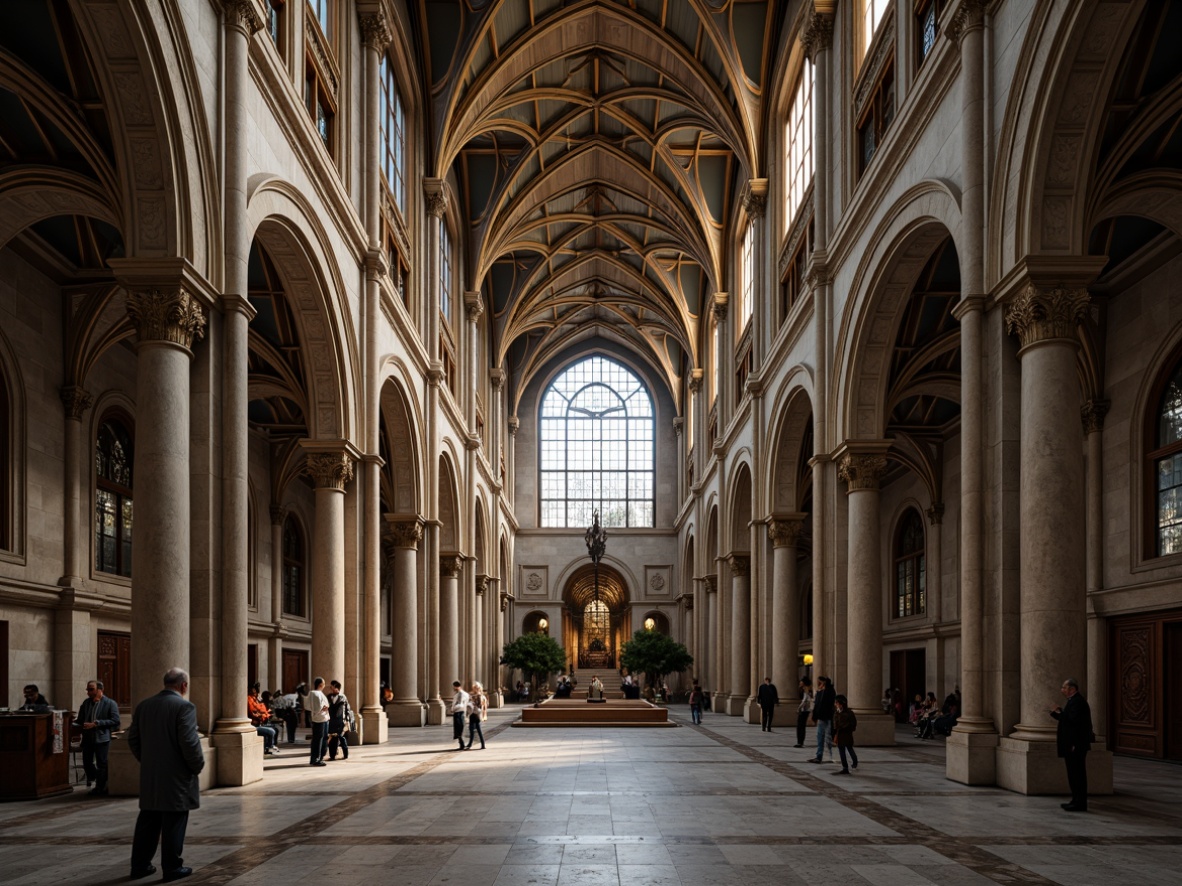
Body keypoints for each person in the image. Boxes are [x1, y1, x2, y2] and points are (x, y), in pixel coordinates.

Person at [127, 667, 204, 882]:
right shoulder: (184, 707)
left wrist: (149, 761)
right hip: (176, 777)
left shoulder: (144, 706)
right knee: (174, 821)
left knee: (148, 820)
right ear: (184, 686)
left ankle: (140, 865)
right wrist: (196, 766)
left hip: (151, 775)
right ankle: (172, 867)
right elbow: (189, 742)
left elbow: (133, 739)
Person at [1050, 677, 1094, 812]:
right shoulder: (1073, 701)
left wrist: (1060, 712)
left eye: (1064, 687)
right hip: (1073, 745)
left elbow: (1074, 724)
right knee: (1073, 774)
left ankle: (1080, 803)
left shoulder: (1077, 702)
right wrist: (1056, 713)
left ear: (1072, 689)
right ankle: (1075, 800)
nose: (1062, 690)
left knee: (1077, 774)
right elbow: (1068, 720)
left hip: (1076, 745)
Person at [74, 679, 120, 796]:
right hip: (88, 738)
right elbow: (80, 720)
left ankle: (100, 787)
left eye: (91, 689)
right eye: (87, 689)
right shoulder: (86, 703)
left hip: (102, 739)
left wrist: (97, 723)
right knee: (87, 762)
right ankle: (96, 778)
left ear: (100, 690)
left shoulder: (110, 703)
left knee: (102, 764)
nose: (88, 692)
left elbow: (115, 721)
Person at [808, 675, 836, 763]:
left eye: (820, 682)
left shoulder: (828, 692)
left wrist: (820, 692)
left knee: (827, 737)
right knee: (820, 737)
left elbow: (819, 705)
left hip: (827, 717)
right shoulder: (823, 692)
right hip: (822, 717)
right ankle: (819, 756)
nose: (818, 684)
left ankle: (828, 756)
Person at [247, 683, 279, 755]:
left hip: (259, 723)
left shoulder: (256, 699)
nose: (256, 692)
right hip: (253, 725)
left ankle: (269, 746)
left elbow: (262, 710)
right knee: (271, 731)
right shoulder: (249, 699)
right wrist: (264, 715)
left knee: (275, 729)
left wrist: (265, 714)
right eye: (254, 690)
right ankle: (269, 747)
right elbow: (255, 712)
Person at [832, 694, 858, 775]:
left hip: (846, 734)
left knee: (849, 748)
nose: (835, 704)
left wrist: (847, 728)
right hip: (839, 734)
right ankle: (845, 767)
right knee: (841, 751)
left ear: (841, 704)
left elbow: (853, 724)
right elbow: (835, 724)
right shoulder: (837, 713)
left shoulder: (849, 713)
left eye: (837, 703)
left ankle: (854, 761)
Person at [307, 677, 330, 766]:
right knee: (318, 739)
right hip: (319, 719)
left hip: (324, 718)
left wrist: (326, 707)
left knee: (323, 738)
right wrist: (324, 707)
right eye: (323, 683)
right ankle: (316, 758)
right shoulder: (314, 693)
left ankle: (319, 757)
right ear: (320, 684)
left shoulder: (320, 693)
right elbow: (317, 708)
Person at [327, 680, 352, 761]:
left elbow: (347, 710)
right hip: (331, 720)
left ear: (336, 687)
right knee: (332, 738)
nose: (330, 688)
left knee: (341, 737)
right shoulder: (328, 697)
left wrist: (347, 720)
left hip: (340, 720)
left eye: (332, 686)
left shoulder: (343, 697)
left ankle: (346, 754)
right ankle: (332, 755)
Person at [465, 681, 488, 749]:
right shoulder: (472, 695)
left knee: (477, 730)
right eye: (475, 687)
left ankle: (481, 744)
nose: (476, 689)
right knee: (472, 730)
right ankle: (471, 744)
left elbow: (481, 706)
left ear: (479, 688)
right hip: (472, 714)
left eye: (477, 687)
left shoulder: (480, 696)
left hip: (477, 714)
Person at [450, 681, 469, 750]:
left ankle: (462, 744)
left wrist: (453, 709)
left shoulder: (460, 694)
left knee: (458, 729)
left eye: (454, 686)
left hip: (458, 712)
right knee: (460, 728)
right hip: (462, 712)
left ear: (455, 686)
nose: (453, 688)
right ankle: (461, 743)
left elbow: (460, 704)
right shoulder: (465, 694)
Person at [794, 678, 813, 748]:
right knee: (801, 726)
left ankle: (800, 742)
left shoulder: (806, 689)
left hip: (804, 710)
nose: (800, 682)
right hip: (805, 710)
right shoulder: (805, 689)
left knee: (800, 726)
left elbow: (805, 700)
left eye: (801, 681)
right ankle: (800, 741)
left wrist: (799, 708)